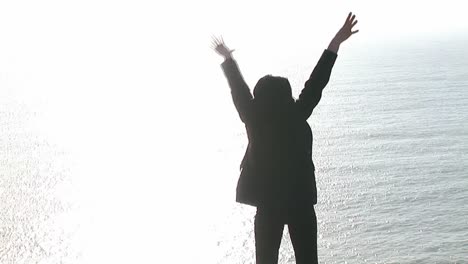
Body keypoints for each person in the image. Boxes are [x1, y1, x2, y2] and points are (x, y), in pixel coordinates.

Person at [212, 12, 359, 264]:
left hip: (267, 204)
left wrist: (228, 58)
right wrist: (336, 41)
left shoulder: (252, 116)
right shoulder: (298, 112)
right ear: (286, 95)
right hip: (300, 201)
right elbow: (317, 81)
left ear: (259, 97)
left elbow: (238, 88)